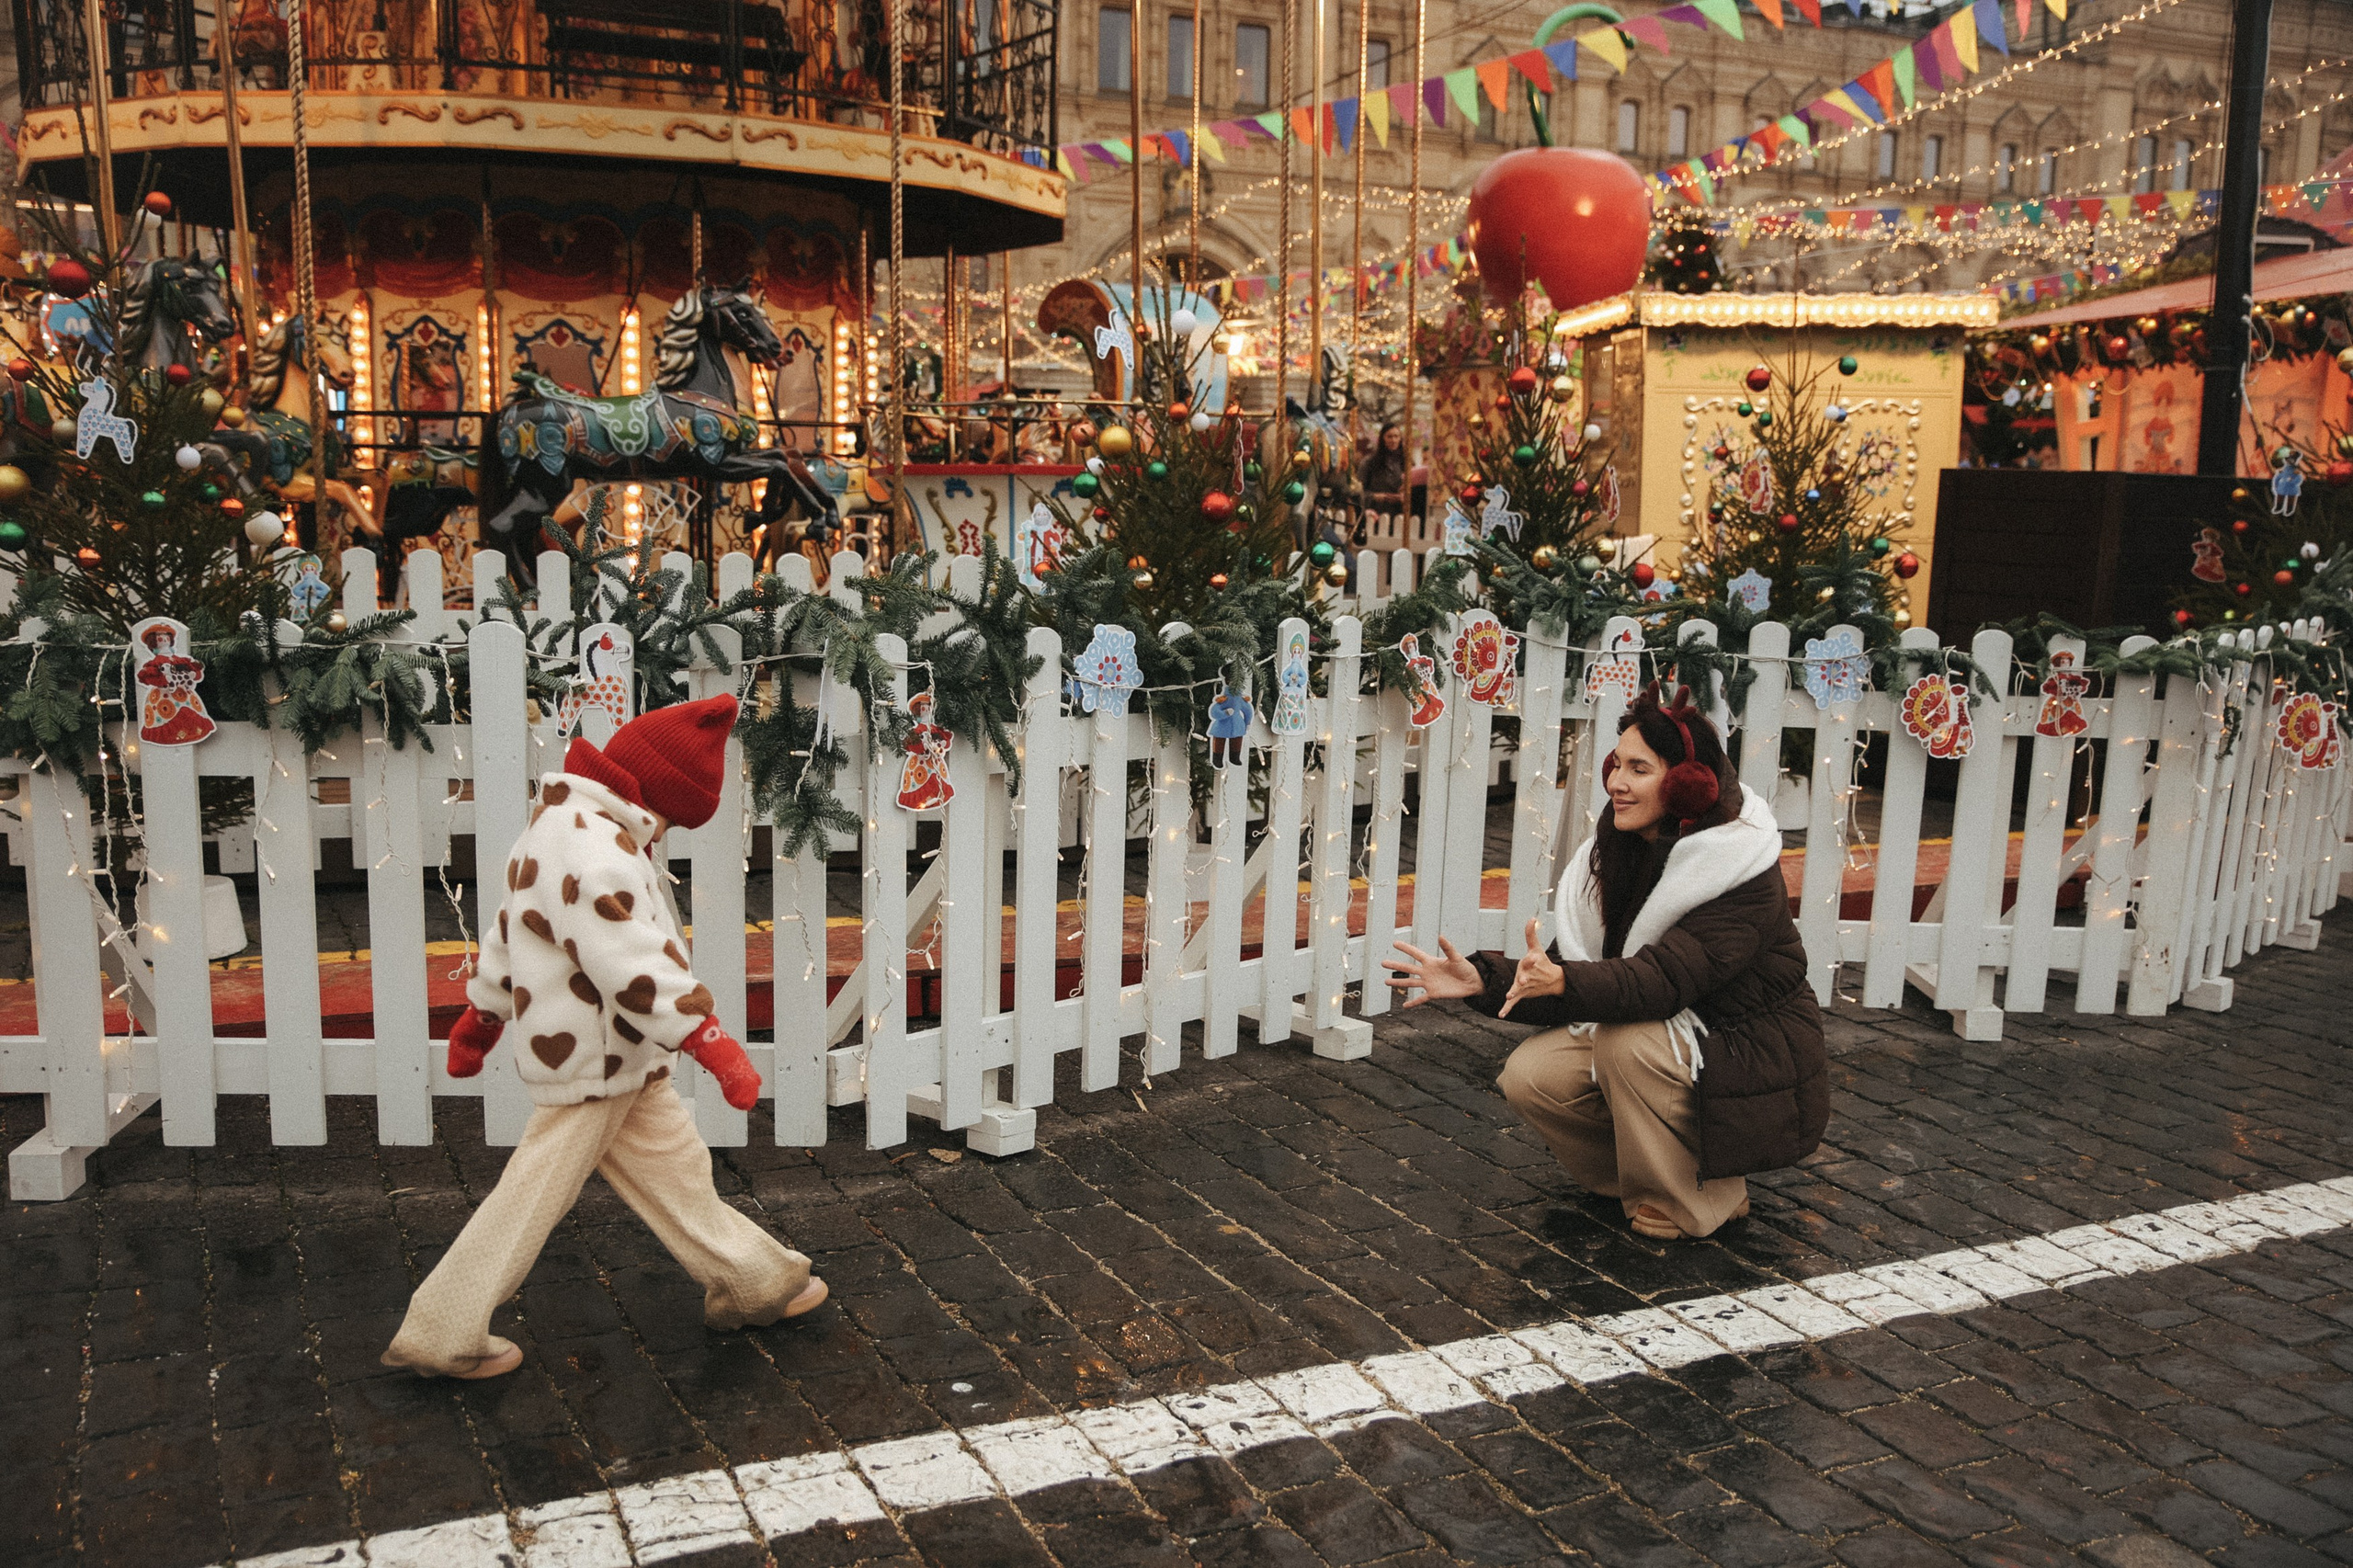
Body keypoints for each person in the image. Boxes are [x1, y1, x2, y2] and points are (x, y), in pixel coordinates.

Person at [383, 695, 827, 1379]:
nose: (664, 834)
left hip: (618, 1056)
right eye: (672, 818)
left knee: (676, 1170)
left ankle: (756, 1282)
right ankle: (443, 1330)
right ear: (655, 794)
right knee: (532, 1195)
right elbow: (632, 960)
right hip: (595, 1054)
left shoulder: (555, 825)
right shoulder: (597, 849)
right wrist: (708, 1039)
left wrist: (483, 1015)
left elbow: (509, 931)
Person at [1381, 683, 1825, 1240]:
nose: (1616, 781)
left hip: (1744, 1046)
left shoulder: (1739, 867)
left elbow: (1661, 981)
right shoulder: (1617, 848)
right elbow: (1575, 969)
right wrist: (1483, 980)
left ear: (1688, 784)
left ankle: (1700, 1198)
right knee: (1532, 1076)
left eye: (1639, 769)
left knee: (1625, 1044)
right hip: (1673, 1034)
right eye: (1618, 764)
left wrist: (1563, 981)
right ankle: (1656, 1178)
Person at [1359, 420, 1409, 517]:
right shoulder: (1369, 462)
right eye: (1389, 437)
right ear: (1382, 439)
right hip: (1375, 513)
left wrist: (1404, 495)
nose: (1393, 440)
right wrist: (1375, 496)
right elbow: (1358, 492)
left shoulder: (1406, 462)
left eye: (1396, 436)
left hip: (1399, 513)